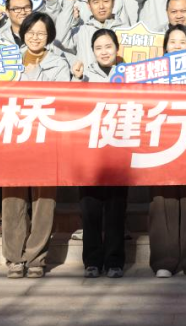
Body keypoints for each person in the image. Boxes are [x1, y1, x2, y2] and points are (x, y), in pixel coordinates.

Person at [2, 11, 68, 279]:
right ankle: (14, 257)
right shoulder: (9, 59)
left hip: (46, 139)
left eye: (41, 33)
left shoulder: (58, 63)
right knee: (12, 200)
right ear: (23, 33)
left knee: (44, 201)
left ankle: (36, 256)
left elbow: (60, 99)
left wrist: (34, 74)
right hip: (14, 138)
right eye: (30, 32)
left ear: (49, 36)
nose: (35, 37)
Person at [147, 24, 186, 278]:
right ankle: (164, 260)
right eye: (172, 42)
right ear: (164, 48)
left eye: (182, 42)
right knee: (162, 201)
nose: (176, 46)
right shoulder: (151, 74)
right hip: (161, 141)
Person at [72, 28, 129, 279]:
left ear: (117, 49)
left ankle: (115, 261)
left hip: (119, 150)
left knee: (116, 210)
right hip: (89, 151)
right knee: (90, 210)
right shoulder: (84, 76)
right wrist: (76, 81)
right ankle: (92, 261)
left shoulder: (129, 74)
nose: (104, 52)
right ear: (92, 52)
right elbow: (70, 105)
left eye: (108, 46)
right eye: (98, 48)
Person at [55, 0, 131, 64]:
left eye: (105, 1)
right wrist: (68, 6)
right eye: (96, 2)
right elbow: (60, 40)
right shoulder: (81, 32)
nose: (101, 6)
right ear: (89, 5)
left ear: (113, 2)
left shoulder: (126, 31)